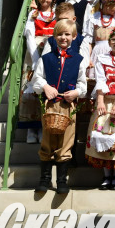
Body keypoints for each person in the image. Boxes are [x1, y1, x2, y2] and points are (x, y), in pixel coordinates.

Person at [32, 18, 88, 194]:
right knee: (48, 139)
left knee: (66, 141)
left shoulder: (79, 59)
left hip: (68, 106)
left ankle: (62, 180)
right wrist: (46, 87)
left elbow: (83, 84)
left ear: (74, 36)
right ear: (54, 36)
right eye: (60, 34)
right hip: (50, 106)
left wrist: (76, 93)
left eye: (67, 34)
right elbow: (36, 79)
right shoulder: (46, 58)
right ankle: (45, 179)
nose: (63, 38)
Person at [85, 27, 115, 189]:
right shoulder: (102, 59)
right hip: (105, 102)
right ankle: (107, 176)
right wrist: (99, 101)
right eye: (113, 40)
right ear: (109, 42)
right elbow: (100, 80)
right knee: (103, 134)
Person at [21, 0, 60, 143]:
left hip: (50, 51)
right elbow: (30, 36)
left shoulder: (57, 14)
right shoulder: (33, 14)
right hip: (35, 51)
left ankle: (44, 126)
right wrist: (36, 60)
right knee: (31, 91)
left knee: (47, 90)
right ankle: (31, 128)